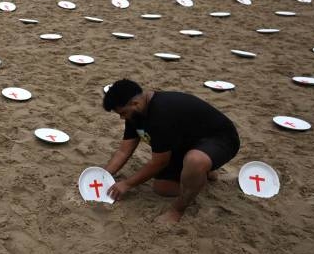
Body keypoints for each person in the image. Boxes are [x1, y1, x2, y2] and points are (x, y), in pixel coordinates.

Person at [101, 79, 240, 223]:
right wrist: (102, 175)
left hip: (221, 139)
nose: (122, 117)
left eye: (123, 112)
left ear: (135, 103)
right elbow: (123, 151)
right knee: (162, 188)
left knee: (195, 161)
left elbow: (159, 162)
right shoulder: (135, 113)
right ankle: (202, 174)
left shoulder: (162, 113)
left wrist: (127, 184)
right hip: (185, 143)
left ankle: (178, 210)